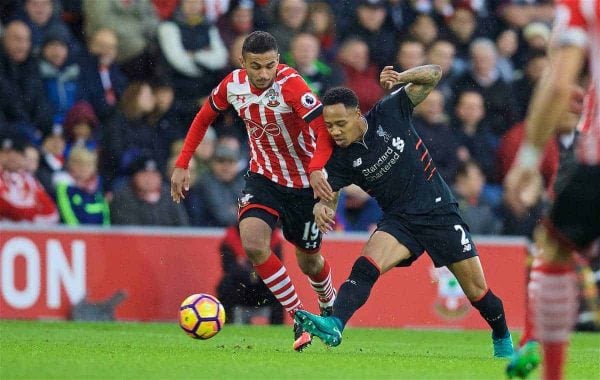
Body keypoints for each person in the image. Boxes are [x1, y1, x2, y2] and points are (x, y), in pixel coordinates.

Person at [293, 65, 514, 358]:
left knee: (477, 293)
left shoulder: (389, 111)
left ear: (357, 114)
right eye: (329, 126)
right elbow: (329, 193)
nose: (334, 131)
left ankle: (502, 337)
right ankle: (335, 323)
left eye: (340, 124)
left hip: (439, 213)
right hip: (399, 222)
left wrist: (402, 77)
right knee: (365, 266)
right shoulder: (340, 159)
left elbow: (434, 73)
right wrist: (323, 207)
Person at [170, 31, 336, 352]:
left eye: (269, 66)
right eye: (256, 66)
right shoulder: (232, 85)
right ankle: (299, 315)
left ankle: (329, 305)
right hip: (264, 178)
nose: (263, 73)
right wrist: (183, 162)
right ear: (242, 63)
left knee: (309, 261)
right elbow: (204, 117)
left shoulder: (291, 84)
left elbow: (321, 128)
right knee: (254, 243)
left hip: (304, 183)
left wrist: (317, 170)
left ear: (278, 62)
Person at [504, 1, 599, 379]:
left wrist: (527, 161)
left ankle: (536, 349)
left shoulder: (583, 7)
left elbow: (557, 84)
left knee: (555, 246)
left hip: (591, 157)